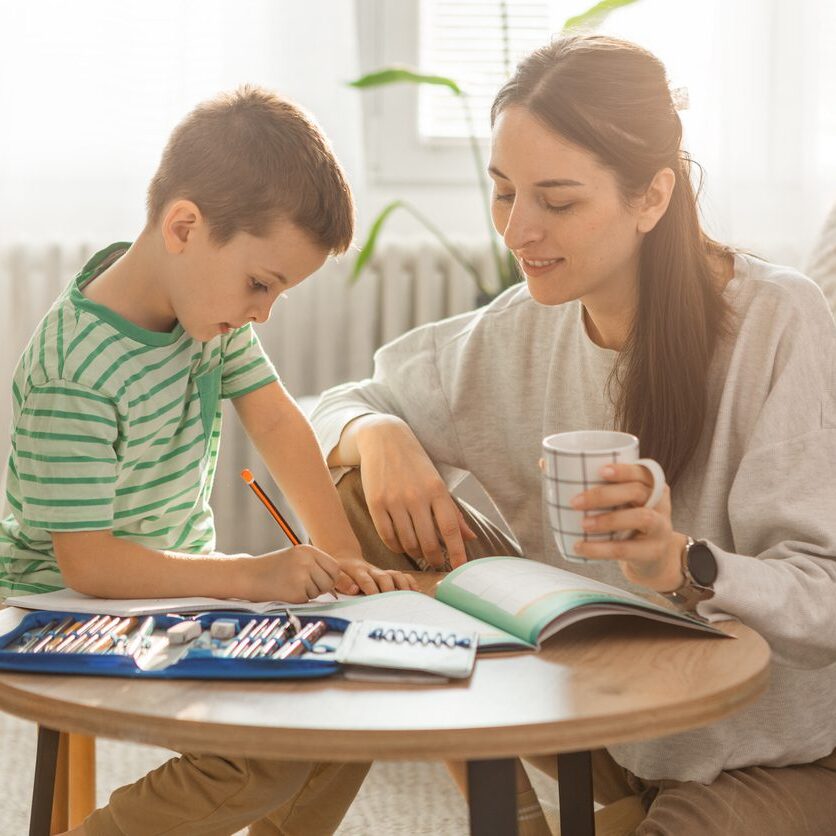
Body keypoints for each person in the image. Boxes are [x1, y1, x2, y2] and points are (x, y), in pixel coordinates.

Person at [311, 35, 836, 836]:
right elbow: (337, 404)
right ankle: (517, 817)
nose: (517, 231)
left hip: (769, 753)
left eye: (556, 203)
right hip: (605, 716)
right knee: (358, 483)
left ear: (651, 198)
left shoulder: (777, 321)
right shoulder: (518, 331)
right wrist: (378, 429)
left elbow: (824, 596)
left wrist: (681, 563)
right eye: (503, 193)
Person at [0, 86, 415, 835]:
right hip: (62, 610)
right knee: (256, 759)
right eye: (260, 284)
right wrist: (250, 577)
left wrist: (343, 560)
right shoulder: (76, 370)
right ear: (184, 227)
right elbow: (88, 564)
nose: (262, 311)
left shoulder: (202, 313)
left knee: (346, 705)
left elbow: (279, 421)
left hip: (168, 594)